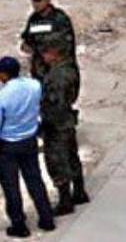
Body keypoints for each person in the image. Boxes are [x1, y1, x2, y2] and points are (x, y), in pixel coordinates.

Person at [0, 56, 55, 237]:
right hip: (29, 140)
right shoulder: (34, 86)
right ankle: (46, 218)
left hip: (8, 145)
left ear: (4, 74)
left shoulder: (3, 96)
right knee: (35, 180)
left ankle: (19, 225)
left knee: (11, 186)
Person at [39, 45, 85, 215]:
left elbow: (55, 103)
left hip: (56, 124)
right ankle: (79, 192)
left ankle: (65, 201)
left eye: (45, 52)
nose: (43, 56)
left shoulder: (57, 76)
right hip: (67, 120)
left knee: (57, 162)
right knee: (72, 156)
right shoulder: (69, 67)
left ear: (54, 52)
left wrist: (45, 124)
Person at [20, 0, 74, 83]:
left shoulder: (59, 19)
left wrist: (54, 53)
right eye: (34, 0)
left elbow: (67, 44)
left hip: (60, 75)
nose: (35, 4)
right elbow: (26, 43)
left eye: (39, 0)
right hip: (39, 74)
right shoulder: (34, 19)